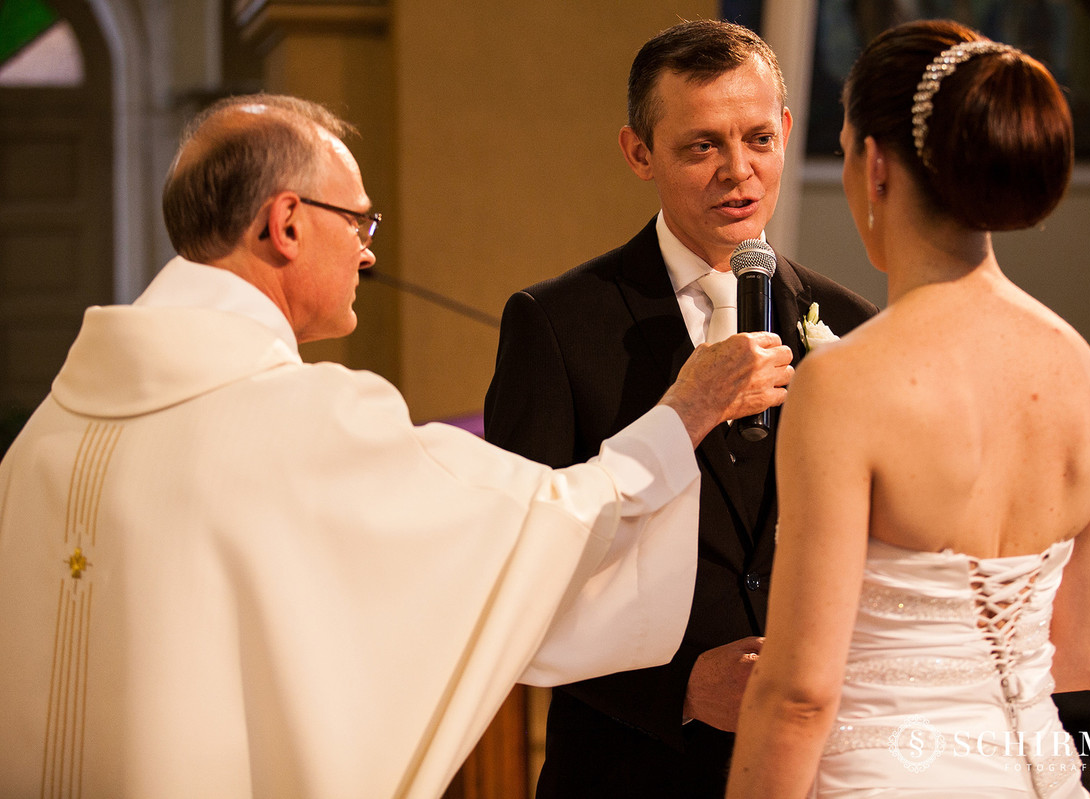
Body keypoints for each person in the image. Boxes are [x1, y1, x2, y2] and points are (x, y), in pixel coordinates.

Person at [0, 93, 796, 799]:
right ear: (286, 224)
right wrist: (684, 412)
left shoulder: (45, 438)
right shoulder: (301, 418)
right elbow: (536, 524)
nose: (368, 251)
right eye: (358, 222)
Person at [727, 19, 1090, 798]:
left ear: (874, 165)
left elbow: (802, 693)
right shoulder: (1082, 369)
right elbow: (1086, 655)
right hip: (1043, 775)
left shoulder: (850, 382)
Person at [484, 20, 876, 798]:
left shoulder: (854, 324)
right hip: (632, 765)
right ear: (639, 153)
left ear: (788, 133)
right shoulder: (558, 326)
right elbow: (518, 571)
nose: (739, 172)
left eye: (759, 139)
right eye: (701, 146)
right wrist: (684, 691)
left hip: (820, 764)